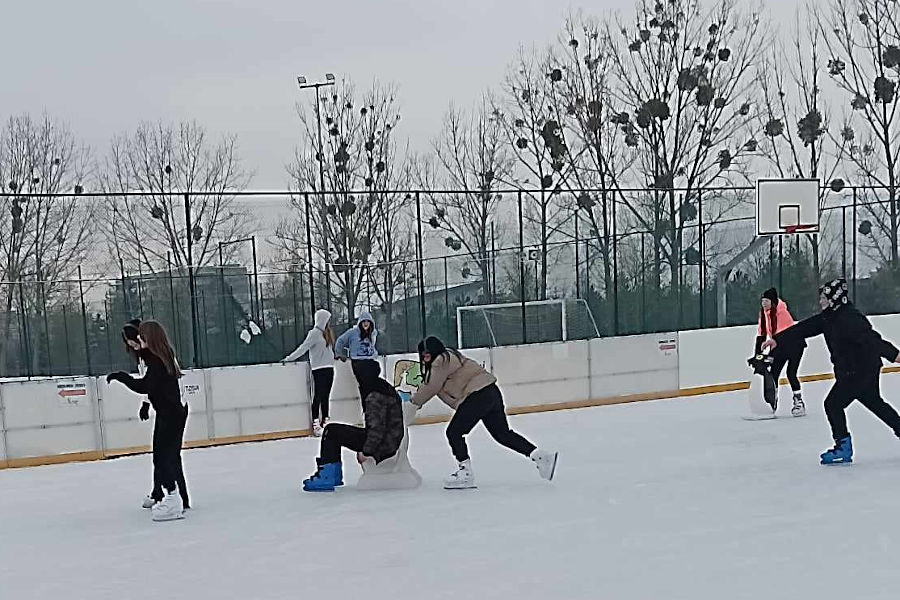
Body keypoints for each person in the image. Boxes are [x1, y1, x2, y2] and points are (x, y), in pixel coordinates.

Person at [764, 278, 900, 464]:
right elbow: (804, 328)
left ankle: (843, 447)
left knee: (833, 404)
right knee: (875, 403)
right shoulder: (829, 317)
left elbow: (873, 341)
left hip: (859, 370)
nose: (820, 301)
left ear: (835, 298)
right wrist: (777, 340)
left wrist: (895, 355)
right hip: (857, 369)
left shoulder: (850, 318)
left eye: (824, 297)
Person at [410, 336, 557, 489]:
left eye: (427, 355)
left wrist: (413, 403)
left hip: (478, 395)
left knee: (454, 432)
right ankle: (540, 456)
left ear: (434, 352)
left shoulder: (441, 360)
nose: (425, 359)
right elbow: (438, 389)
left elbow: (431, 387)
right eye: (423, 356)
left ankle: (465, 473)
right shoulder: (449, 359)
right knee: (502, 434)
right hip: (490, 392)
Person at [107, 320, 189, 520]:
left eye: (140, 337)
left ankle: (173, 499)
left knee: (164, 458)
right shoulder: (158, 356)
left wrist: (121, 377)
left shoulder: (156, 360)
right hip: (170, 412)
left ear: (149, 338)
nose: (137, 341)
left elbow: (145, 385)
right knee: (163, 457)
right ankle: (171, 497)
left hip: (171, 413)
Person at [302, 367, 404, 492]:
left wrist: (366, 452)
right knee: (335, 431)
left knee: (331, 431)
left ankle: (328, 476)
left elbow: (377, 430)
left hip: (383, 445)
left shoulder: (374, 396)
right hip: (391, 440)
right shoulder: (385, 388)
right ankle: (333, 475)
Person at [753, 287, 807, 416]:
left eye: (766, 301)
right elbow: (761, 334)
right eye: (762, 301)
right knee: (773, 374)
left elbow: (784, 335)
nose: (763, 303)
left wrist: (770, 353)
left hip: (794, 345)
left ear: (773, 302)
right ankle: (772, 402)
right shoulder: (764, 314)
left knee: (791, 373)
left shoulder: (782, 313)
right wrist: (758, 355)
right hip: (779, 345)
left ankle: (799, 402)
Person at [283, 309, 335, 437]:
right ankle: (316, 423)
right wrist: (289, 358)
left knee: (326, 396)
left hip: (329, 367)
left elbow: (328, 350)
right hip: (319, 368)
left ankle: (326, 422)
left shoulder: (327, 333)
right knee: (318, 395)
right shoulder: (314, 334)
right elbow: (303, 347)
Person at [335, 311, 380, 401]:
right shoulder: (352, 332)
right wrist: (339, 353)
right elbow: (340, 340)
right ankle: (366, 405)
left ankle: (371, 404)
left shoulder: (373, 333)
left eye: (368, 321)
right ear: (360, 323)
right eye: (364, 321)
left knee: (375, 374)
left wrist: (374, 353)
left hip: (370, 360)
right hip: (358, 361)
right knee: (365, 384)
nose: (366, 324)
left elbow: (372, 345)